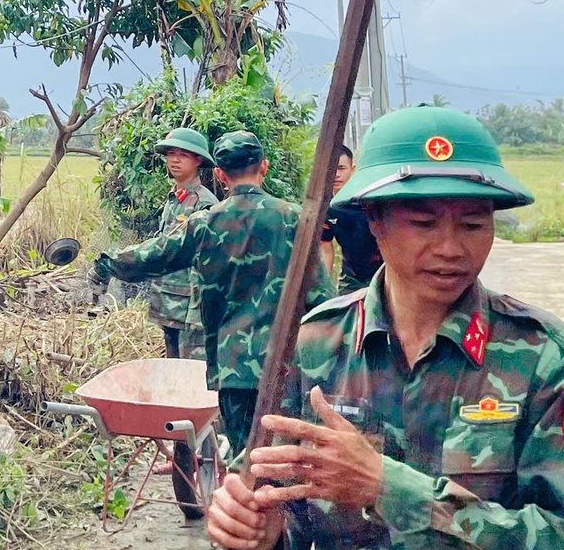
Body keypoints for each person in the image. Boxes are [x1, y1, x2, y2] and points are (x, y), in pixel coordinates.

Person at [206, 106, 564, 550]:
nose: (451, 247)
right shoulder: (316, 346)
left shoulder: (547, 358)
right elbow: (284, 503)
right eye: (423, 223)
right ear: (374, 222)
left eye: (473, 224)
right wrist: (259, 533)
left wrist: (389, 488)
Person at [96, 130, 327, 458]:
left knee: (245, 458)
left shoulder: (204, 223)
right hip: (285, 365)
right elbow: (323, 297)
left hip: (232, 367)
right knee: (282, 459)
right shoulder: (294, 219)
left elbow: (152, 257)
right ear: (264, 166)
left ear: (219, 174)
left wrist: (106, 263)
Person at [143, 126, 217, 360]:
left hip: (189, 305)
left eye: (183, 155)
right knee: (171, 365)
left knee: (190, 367)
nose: (174, 160)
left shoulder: (204, 202)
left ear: (198, 160)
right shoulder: (175, 198)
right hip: (167, 298)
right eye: (171, 154)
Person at [322, 143, 383, 294]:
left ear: (353, 169)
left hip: (383, 272)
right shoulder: (326, 208)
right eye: (332, 169)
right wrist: (323, 287)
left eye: (341, 168)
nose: (336, 174)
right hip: (351, 276)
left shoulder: (370, 200)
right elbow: (326, 251)